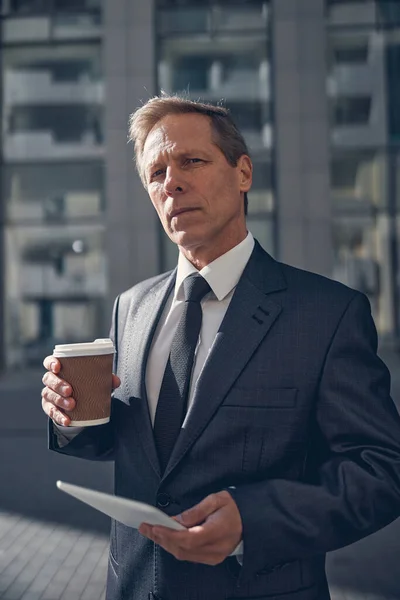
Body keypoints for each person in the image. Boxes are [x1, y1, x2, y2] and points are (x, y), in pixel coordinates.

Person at [41, 95, 400, 600]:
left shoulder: (327, 314)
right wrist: (70, 415)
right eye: (156, 172)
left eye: (192, 161)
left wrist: (254, 519)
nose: (172, 183)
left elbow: (381, 469)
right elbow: (133, 444)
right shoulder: (132, 306)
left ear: (243, 173)